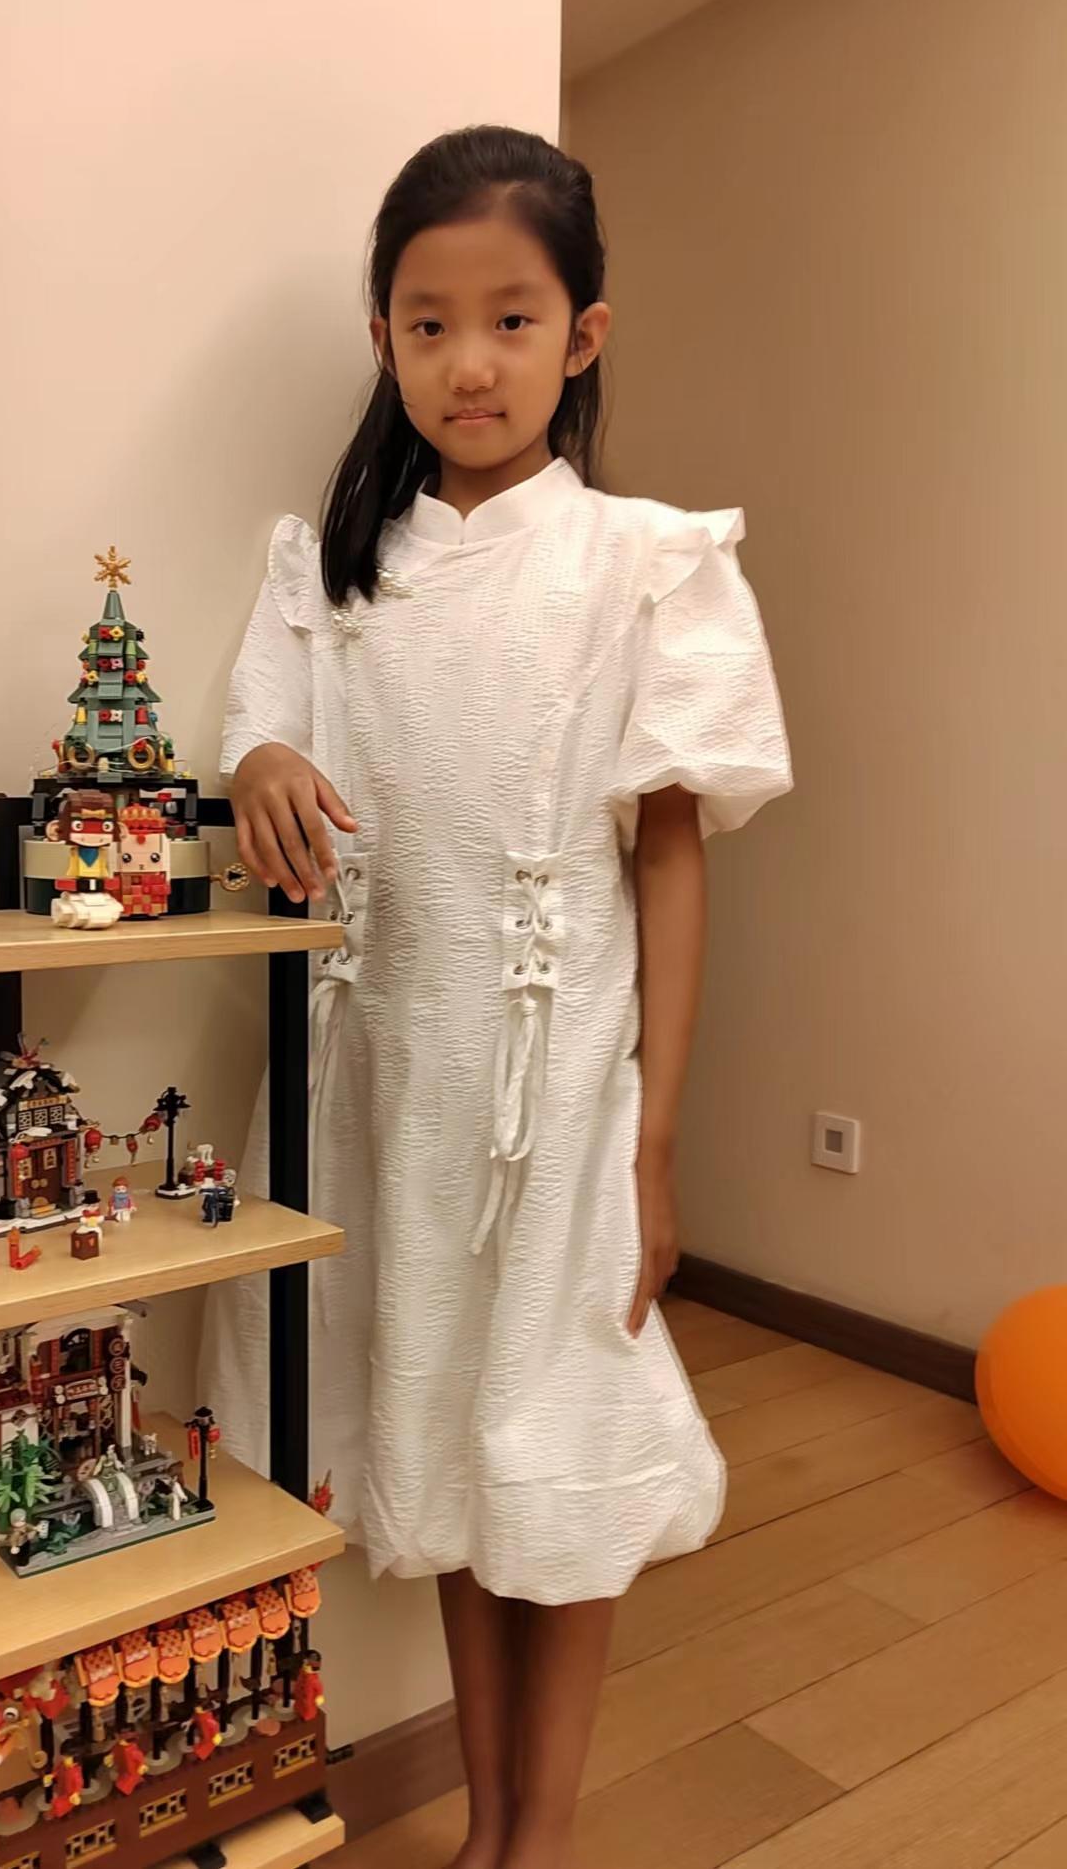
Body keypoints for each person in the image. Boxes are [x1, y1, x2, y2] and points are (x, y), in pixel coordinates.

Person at [203, 124, 791, 1869]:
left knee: (563, 1452)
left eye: (511, 319)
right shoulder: (333, 570)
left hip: (563, 1102)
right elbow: (261, 733)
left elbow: (670, 858)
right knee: (449, 1446)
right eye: (429, 323)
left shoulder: (645, 562)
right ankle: (483, 1823)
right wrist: (264, 761)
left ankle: (545, 1831)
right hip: (388, 1088)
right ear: (384, 339)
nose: (470, 361)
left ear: (581, 335)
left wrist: (656, 1142)